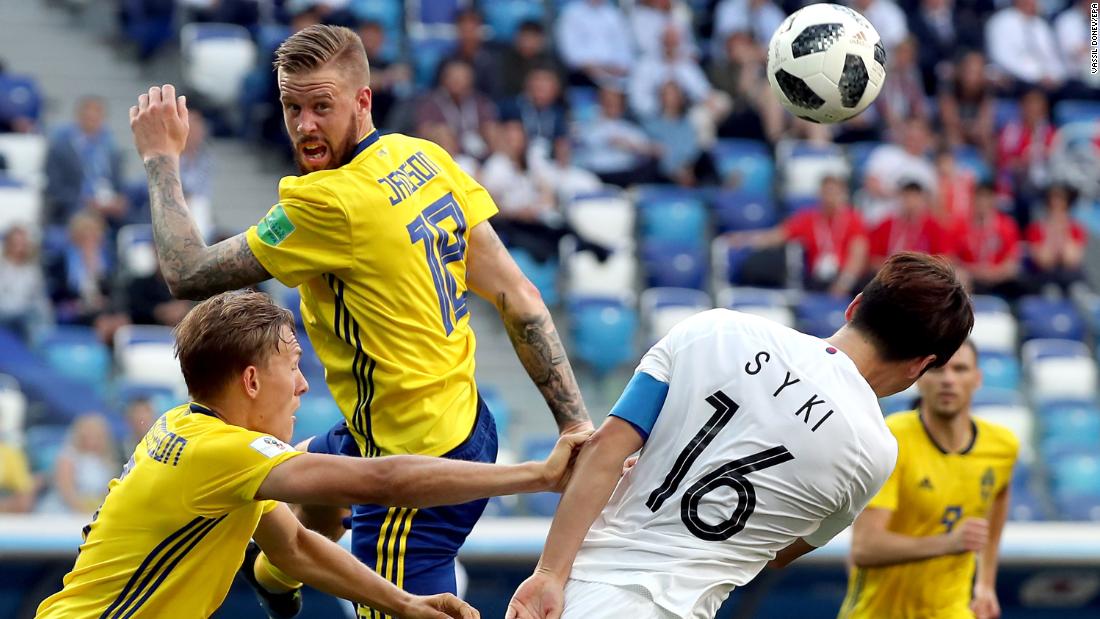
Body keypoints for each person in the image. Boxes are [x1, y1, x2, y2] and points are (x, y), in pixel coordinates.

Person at [128, 24, 594, 618]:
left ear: (362, 100)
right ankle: (275, 570)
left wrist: (161, 157)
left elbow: (185, 271)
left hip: (411, 482)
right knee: (319, 470)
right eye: (292, 107)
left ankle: (278, 566)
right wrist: (573, 423)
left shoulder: (327, 205)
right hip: (468, 421)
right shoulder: (423, 158)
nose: (304, 125)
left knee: (390, 579)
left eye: (322, 106)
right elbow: (518, 295)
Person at [36, 290, 589, 619]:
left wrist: (406, 605)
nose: (303, 385)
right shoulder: (223, 453)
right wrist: (538, 474)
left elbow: (296, 545)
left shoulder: (192, 432)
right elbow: (383, 483)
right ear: (251, 381)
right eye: (293, 364)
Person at [506, 252, 975, 619]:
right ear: (922, 366)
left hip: (578, 587)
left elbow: (606, 449)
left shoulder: (715, 329)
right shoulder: (873, 453)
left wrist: (550, 572)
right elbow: (779, 552)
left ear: (854, 307)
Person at [838, 341, 1018, 619]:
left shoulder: (1003, 446)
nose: (948, 380)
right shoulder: (891, 441)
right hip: (879, 611)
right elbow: (865, 548)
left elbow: (996, 505)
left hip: (952, 609)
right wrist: (950, 543)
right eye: (937, 370)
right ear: (919, 378)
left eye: (960, 370)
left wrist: (985, 584)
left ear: (977, 379)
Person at [44, 96, 129, 228]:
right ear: (78, 116)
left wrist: (119, 200)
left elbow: (118, 184)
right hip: (75, 207)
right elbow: (54, 188)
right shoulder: (60, 148)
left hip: (108, 206)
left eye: (97, 116)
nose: (92, 119)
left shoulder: (111, 149)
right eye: (88, 115)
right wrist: (86, 202)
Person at [37, 412, 119, 515]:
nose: (92, 439)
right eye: (88, 434)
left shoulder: (107, 461)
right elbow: (66, 491)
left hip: (94, 511)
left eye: (96, 435)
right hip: (64, 511)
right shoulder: (69, 456)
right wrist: (84, 511)